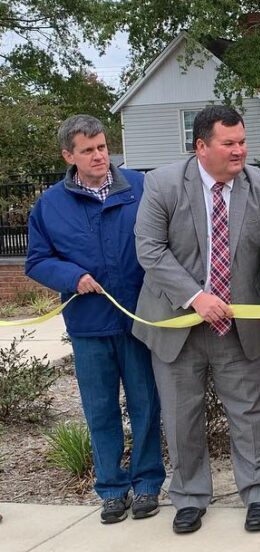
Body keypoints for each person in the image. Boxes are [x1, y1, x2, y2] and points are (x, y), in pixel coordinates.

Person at [133, 105, 260, 535]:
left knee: (249, 414)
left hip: (239, 326)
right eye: (229, 143)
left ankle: (259, 495)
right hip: (176, 323)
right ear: (201, 146)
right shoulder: (164, 183)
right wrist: (196, 297)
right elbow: (150, 250)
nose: (239, 151)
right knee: (181, 416)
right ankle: (189, 498)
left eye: (243, 141)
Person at [26, 114, 165, 524]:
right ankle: (111, 489)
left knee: (145, 405)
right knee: (100, 409)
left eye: (102, 146)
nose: (99, 155)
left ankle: (146, 486)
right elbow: (37, 260)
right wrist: (72, 277)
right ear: (69, 155)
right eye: (88, 150)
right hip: (88, 326)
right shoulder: (49, 205)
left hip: (139, 320)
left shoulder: (140, 188)